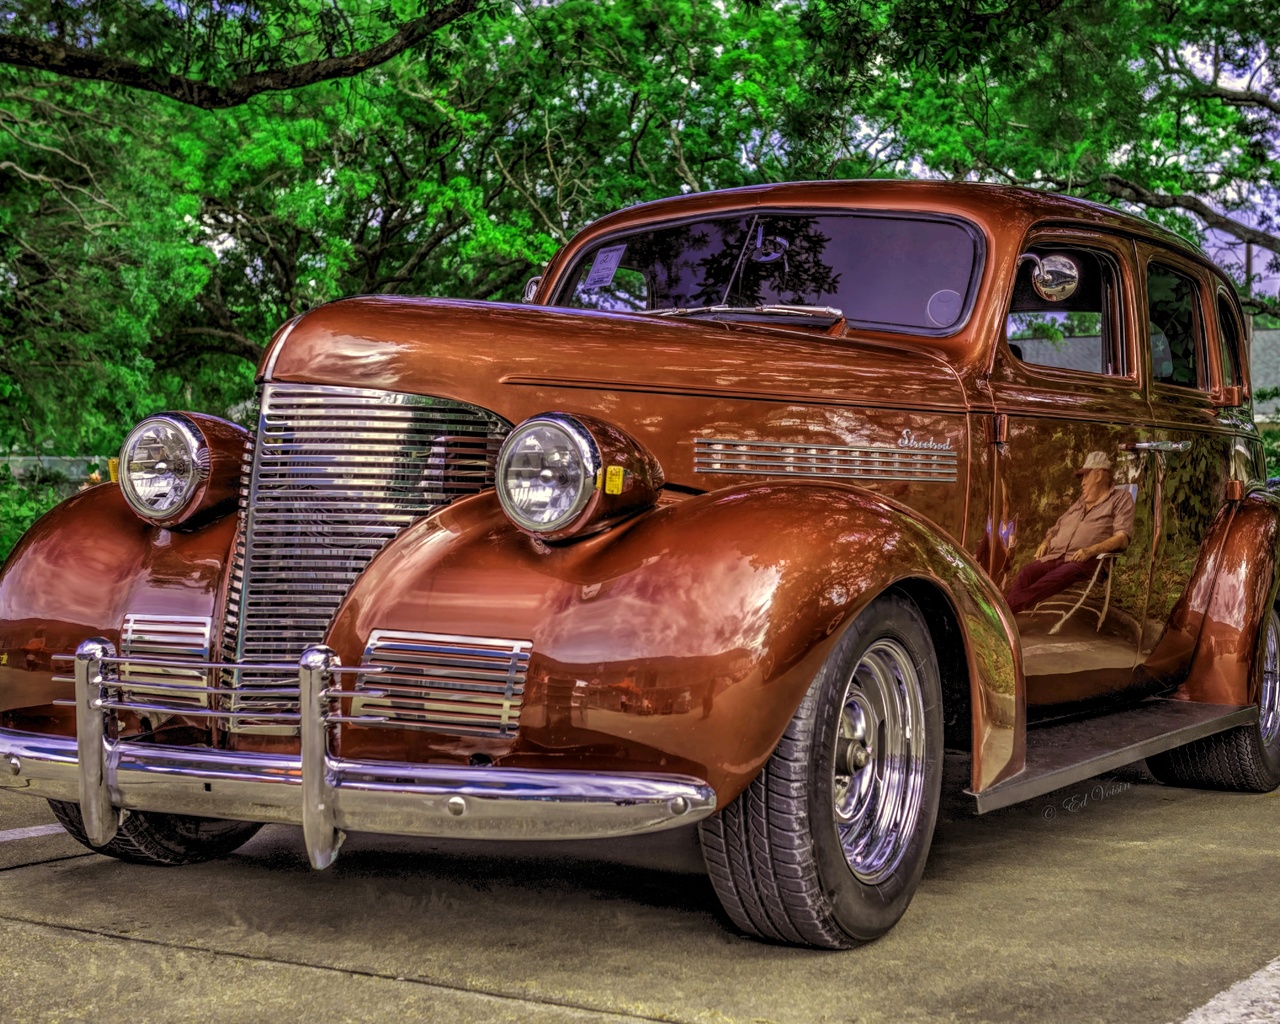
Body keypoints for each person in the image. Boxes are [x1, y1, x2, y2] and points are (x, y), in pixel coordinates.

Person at [1006, 451, 1134, 614]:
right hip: (1057, 556)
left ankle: (1004, 613)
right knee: (1027, 572)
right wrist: (1046, 542)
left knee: (1055, 577)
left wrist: (1090, 550)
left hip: (1087, 562)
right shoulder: (1080, 502)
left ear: (1099, 475)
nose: (1082, 483)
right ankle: (1009, 612)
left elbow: (1122, 538)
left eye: (1085, 476)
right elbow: (1057, 527)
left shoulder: (1121, 498)